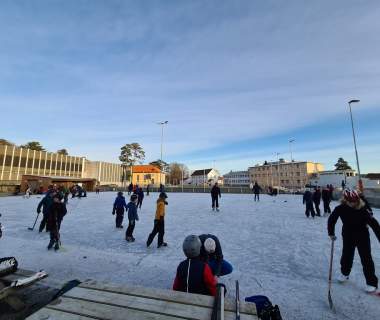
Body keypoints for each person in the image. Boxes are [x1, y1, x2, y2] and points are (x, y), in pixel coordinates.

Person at [328, 190, 380, 293]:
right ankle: (345, 273)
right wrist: (331, 233)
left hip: (362, 236)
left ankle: (371, 283)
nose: (353, 203)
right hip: (348, 236)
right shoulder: (340, 208)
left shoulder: (363, 209)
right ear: (345, 200)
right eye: (350, 201)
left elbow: (374, 224)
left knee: (366, 258)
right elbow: (332, 220)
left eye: (355, 201)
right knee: (346, 256)